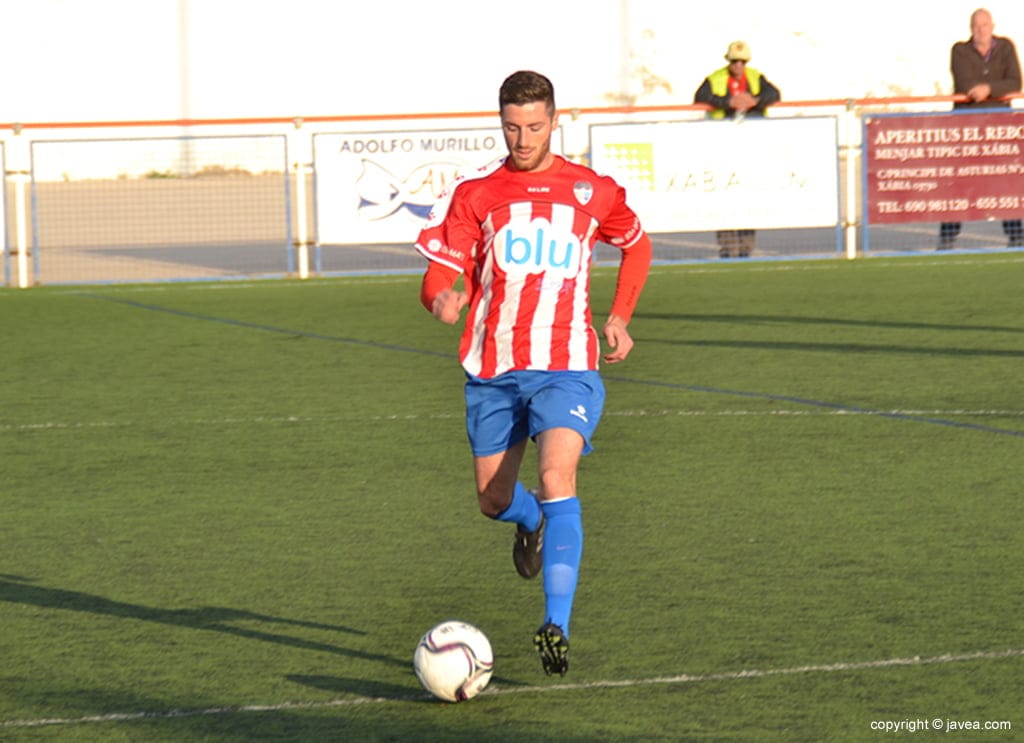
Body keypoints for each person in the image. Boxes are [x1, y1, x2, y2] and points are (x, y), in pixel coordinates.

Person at [414, 70, 652, 676]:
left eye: (535, 127)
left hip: (566, 364)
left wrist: (620, 317)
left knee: (555, 475)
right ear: (501, 123)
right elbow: (438, 274)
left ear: (554, 121)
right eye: (513, 128)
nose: (523, 140)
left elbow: (637, 244)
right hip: (493, 369)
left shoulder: (592, 191)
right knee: (493, 499)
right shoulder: (477, 195)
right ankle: (532, 521)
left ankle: (556, 625)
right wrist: (441, 299)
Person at [939, 8, 1023, 250]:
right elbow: (965, 84)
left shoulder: (1006, 47)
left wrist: (988, 89)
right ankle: (947, 237)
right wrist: (990, 89)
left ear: (992, 26)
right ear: (970, 28)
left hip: (999, 128)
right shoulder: (960, 51)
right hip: (967, 129)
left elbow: (1015, 82)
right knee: (958, 183)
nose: (980, 30)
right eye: (976, 25)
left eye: (985, 25)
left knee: (1005, 181)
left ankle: (1016, 234)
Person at [694, 40, 781, 259]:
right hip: (722, 146)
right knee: (724, 196)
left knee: (748, 195)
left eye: (742, 62)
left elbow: (774, 94)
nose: (738, 65)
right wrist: (728, 102)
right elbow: (700, 98)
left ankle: (746, 247)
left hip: (750, 146)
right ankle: (728, 247)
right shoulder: (715, 78)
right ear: (729, 61)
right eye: (734, 61)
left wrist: (754, 100)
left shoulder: (755, 77)